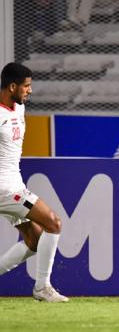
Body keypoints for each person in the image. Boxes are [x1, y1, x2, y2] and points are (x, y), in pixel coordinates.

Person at [0, 63, 68, 302]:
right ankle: (42, 287)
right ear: (12, 86)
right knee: (53, 222)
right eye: (26, 86)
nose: (29, 91)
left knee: (34, 239)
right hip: (5, 189)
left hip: (12, 184)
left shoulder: (18, 108)